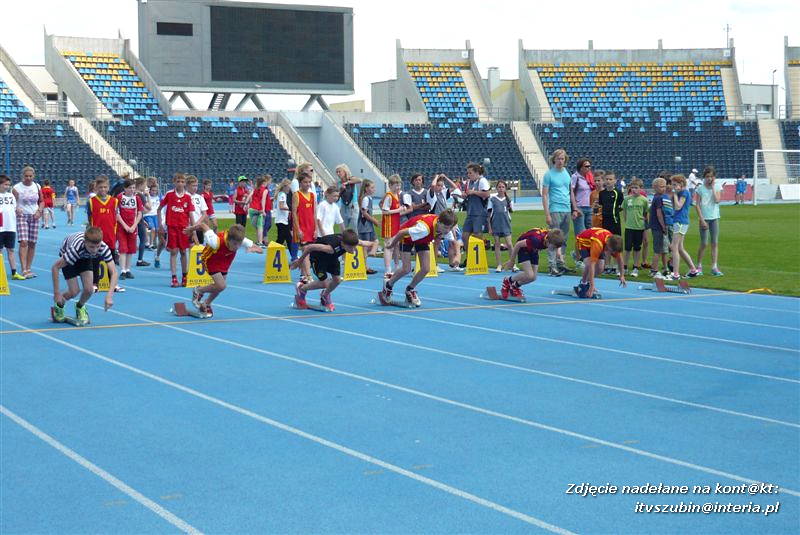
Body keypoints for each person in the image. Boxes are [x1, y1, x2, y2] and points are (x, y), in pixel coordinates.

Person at [380, 209, 456, 306]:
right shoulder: (423, 228)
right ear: (439, 222)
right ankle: (388, 285)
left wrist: (456, 256)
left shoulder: (445, 228)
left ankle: (410, 289)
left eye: (450, 228)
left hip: (422, 239)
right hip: (407, 238)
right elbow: (402, 232)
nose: (447, 231)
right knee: (406, 269)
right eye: (446, 228)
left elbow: (453, 242)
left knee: (426, 269)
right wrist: (392, 245)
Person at [292, 229, 376, 311]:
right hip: (318, 259)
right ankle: (301, 289)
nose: (353, 251)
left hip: (332, 258)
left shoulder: (351, 241)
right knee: (324, 283)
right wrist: (300, 261)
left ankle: (324, 296)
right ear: (343, 244)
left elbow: (370, 243)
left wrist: (374, 247)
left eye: (354, 247)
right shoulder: (330, 248)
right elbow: (310, 247)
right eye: (351, 248)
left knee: (337, 280)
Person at [190, 222, 263, 315]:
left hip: (225, 261)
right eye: (235, 244)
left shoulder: (240, 239)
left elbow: (260, 250)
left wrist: (254, 249)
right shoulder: (215, 241)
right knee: (221, 285)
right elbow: (203, 225)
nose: (237, 247)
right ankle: (199, 290)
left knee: (219, 287)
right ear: (228, 240)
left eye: (239, 245)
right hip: (211, 260)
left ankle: (206, 303)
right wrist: (191, 229)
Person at [51, 227, 119, 324]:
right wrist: (56, 293)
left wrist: (109, 296)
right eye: (92, 247)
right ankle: (59, 306)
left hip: (85, 257)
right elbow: (55, 267)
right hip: (69, 252)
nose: (95, 250)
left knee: (89, 290)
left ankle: (80, 307)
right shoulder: (76, 249)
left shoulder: (103, 248)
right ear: (85, 242)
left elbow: (114, 272)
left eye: (97, 246)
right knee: (74, 291)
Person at [499, 228, 565, 300]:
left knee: (533, 278)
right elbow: (518, 245)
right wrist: (512, 260)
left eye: (555, 248)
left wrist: (559, 253)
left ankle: (514, 286)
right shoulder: (536, 240)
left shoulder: (553, 238)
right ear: (547, 241)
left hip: (534, 249)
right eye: (553, 247)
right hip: (523, 248)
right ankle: (508, 280)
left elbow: (558, 243)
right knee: (529, 275)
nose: (553, 250)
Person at [158, 173, 195, 287]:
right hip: (172, 227)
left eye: (182, 182)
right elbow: (159, 209)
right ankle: (174, 277)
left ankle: (185, 276)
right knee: (174, 251)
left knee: (184, 252)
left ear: (185, 183)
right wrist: (160, 224)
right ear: (174, 182)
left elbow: (190, 214)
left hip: (184, 228)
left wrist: (193, 230)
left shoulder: (188, 197)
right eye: (178, 181)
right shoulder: (169, 195)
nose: (180, 184)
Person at [88, 175, 124, 293]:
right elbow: (90, 219)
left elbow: (116, 217)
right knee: (95, 260)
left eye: (105, 187)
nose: (103, 189)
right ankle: (94, 283)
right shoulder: (92, 202)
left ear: (108, 187)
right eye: (100, 187)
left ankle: (113, 284)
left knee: (111, 260)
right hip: (97, 236)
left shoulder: (114, 201)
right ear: (96, 188)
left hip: (110, 235)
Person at [541, 150, 574, 276]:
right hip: (555, 208)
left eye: (563, 159)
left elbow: (570, 191)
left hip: (566, 208)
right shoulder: (549, 175)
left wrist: (573, 207)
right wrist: (547, 214)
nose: (561, 161)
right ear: (554, 159)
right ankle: (552, 265)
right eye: (559, 158)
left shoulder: (566, 173)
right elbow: (544, 195)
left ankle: (561, 262)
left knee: (563, 239)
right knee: (554, 239)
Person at [574, 227, 625, 299]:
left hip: (597, 242)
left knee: (600, 268)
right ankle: (583, 284)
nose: (613, 253)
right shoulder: (598, 244)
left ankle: (587, 283)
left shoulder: (614, 243)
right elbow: (592, 265)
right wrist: (592, 286)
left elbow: (620, 260)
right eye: (612, 251)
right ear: (608, 245)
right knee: (588, 264)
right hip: (584, 243)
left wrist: (622, 275)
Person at [427, 173, 463, 272]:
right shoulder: (431, 194)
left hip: (446, 222)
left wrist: (446, 178)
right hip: (437, 222)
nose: (440, 187)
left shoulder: (443, 193)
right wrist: (436, 177)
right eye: (439, 185)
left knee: (453, 242)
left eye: (442, 185)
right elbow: (433, 186)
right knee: (437, 243)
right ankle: (435, 264)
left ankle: (453, 264)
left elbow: (455, 187)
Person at [12, 166, 44, 279]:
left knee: (32, 243)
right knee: (24, 242)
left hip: (34, 216)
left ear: (33, 176)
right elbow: (12, 202)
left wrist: (39, 211)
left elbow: (41, 201)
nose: (28, 178)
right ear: (23, 176)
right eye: (26, 176)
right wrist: (16, 208)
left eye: (30, 176)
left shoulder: (37, 186)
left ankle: (29, 268)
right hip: (22, 216)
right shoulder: (16, 188)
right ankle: (24, 269)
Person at [459, 162, 491, 266]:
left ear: (477, 173)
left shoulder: (482, 181)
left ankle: (479, 259)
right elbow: (469, 194)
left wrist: (473, 193)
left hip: (479, 212)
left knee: (478, 235)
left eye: (470, 173)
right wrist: (465, 195)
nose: (468, 175)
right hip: (470, 212)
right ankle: (470, 257)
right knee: (464, 236)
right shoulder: (469, 182)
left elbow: (487, 194)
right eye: (467, 173)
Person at [668, 174, 699, 280]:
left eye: (675, 185)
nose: (673, 187)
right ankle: (693, 270)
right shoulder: (682, 192)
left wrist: (675, 195)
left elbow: (678, 206)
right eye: (672, 185)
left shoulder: (684, 193)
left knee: (674, 247)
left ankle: (675, 273)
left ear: (681, 184)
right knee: (680, 248)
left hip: (680, 221)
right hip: (679, 221)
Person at [694, 166, 723, 276]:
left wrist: (713, 189)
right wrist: (701, 219)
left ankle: (714, 266)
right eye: (707, 176)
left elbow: (717, 201)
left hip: (714, 217)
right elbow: (696, 205)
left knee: (714, 242)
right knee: (704, 243)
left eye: (711, 176)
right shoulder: (700, 189)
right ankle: (699, 266)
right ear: (704, 177)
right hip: (704, 218)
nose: (709, 178)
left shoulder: (717, 187)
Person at [291, 170, 317, 281]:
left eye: (309, 182)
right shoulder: (296, 195)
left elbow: (314, 213)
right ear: (300, 183)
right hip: (302, 227)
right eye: (305, 182)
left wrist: (315, 229)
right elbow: (294, 213)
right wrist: (298, 229)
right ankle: (308, 275)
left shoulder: (312, 195)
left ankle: (304, 274)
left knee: (309, 252)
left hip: (311, 227)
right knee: (306, 251)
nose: (307, 184)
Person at [115, 179, 143, 280]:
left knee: (131, 249)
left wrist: (134, 225)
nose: (132, 190)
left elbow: (140, 213)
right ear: (125, 188)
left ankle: (128, 269)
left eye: (134, 188)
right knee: (123, 248)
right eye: (130, 188)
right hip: (122, 227)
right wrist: (125, 226)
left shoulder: (137, 198)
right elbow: (117, 213)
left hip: (133, 227)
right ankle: (122, 270)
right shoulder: (119, 197)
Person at [596, 171, 624, 274]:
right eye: (607, 179)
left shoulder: (618, 193)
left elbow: (621, 206)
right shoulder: (602, 193)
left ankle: (616, 266)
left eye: (610, 179)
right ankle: (607, 265)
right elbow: (601, 205)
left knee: (616, 244)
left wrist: (615, 214)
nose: (608, 181)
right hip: (605, 222)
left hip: (615, 221)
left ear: (615, 181)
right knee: (606, 244)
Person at [487, 180, 517, 272]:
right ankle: (499, 265)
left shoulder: (508, 200)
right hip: (496, 224)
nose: (501, 189)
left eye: (502, 187)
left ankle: (513, 264)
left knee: (509, 244)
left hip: (505, 224)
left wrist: (510, 207)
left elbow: (510, 212)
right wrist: (490, 227)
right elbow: (488, 215)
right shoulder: (492, 199)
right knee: (497, 244)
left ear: (505, 188)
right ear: (496, 188)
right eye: (499, 187)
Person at [621, 178, 649, 277]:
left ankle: (635, 267)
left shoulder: (644, 200)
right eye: (632, 187)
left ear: (641, 188)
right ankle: (624, 267)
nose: (634, 189)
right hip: (629, 227)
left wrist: (644, 221)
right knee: (627, 248)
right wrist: (626, 221)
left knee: (637, 248)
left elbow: (646, 213)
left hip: (640, 227)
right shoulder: (627, 199)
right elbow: (624, 211)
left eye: (636, 188)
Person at [380, 174, 405, 277]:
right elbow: (385, 211)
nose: (398, 187)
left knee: (396, 245)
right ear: (390, 185)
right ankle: (388, 269)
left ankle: (397, 265)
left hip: (395, 222)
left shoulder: (397, 195)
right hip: (389, 224)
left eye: (399, 185)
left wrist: (402, 210)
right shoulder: (389, 196)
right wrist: (398, 210)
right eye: (396, 185)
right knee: (388, 246)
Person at [0, 175, 24, 280]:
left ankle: (14, 273)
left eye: (8, 185)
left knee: (11, 250)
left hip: (10, 227)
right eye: (5, 184)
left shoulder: (11, 196)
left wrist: (18, 210)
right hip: (1, 228)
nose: (7, 187)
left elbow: (15, 208)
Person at [648, 177, 671, 277]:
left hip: (660, 226)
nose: (663, 188)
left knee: (664, 249)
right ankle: (654, 269)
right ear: (655, 188)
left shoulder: (662, 196)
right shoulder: (658, 198)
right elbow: (659, 214)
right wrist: (663, 226)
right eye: (661, 187)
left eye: (664, 186)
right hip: (658, 227)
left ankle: (665, 268)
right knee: (658, 250)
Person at [356, 179, 380, 270]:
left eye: (374, 188)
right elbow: (364, 213)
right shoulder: (365, 199)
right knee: (365, 246)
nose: (374, 189)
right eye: (372, 187)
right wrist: (374, 221)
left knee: (375, 241)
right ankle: (364, 266)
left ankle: (372, 253)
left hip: (369, 225)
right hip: (364, 225)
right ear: (366, 189)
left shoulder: (369, 198)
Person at [570, 158, 595, 237]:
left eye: (589, 166)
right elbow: (571, 192)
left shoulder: (590, 177)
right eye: (586, 166)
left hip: (590, 207)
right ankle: (579, 249)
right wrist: (575, 208)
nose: (589, 168)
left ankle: (589, 249)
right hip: (579, 207)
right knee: (580, 233)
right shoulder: (575, 177)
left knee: (591, 232)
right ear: (580, 167)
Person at [273, 179, 295, 260]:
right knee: (288, 239)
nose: (290, 188)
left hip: (282, 221)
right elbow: (281, 206)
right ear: (285, 186)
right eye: (289, 186)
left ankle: (274, 254)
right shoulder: (282, 195)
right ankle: (294, 256)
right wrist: (290, 209)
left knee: (281, 239)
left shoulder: (282, 194)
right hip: (281, 221)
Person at [133, 177, 151, 268]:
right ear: (140, 185)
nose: (146, 186)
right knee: (143, 239)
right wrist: (148, 195)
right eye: (145, 185)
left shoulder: (132, 193)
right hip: (138, 220)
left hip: (131, 219)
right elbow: (149, 208)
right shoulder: (141, 195)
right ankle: (140, 260)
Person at [186, 175, 208, 246]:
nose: (195, 188)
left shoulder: (200, 197)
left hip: (198, 226)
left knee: (199, 246)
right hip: (187, 226)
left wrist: (198, 223)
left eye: (196, 185)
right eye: (193, 186)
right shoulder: (184, 196)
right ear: (187, 186)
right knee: (187, 248)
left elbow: (204, 213)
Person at [248, 176, 268, 245]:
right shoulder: (265, 190)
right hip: (258, 209)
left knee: (256, 226)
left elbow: (249, 195)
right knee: (260, 226)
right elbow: (263, 200)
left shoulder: (255, 189)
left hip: (251, 209)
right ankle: (260, 242)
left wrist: (245, 204)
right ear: (264, 183)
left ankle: (258, 240)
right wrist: (263, 210)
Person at [144, 178, 160, 251]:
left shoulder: (158, 197)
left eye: (155, 190)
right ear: (150, 190)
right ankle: (151, 244)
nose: (154, 192)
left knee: (157, 230)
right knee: (152, 229)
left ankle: (153, 242)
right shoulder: (147, 197)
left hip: (156, 215)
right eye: (153, 190)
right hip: (148, 215)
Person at [260, 175, 272, 241]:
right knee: (266, 225)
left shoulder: (266, 188)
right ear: (267, 180)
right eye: (270, 180)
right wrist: (263, 209)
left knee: (269, 225)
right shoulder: (264, 189)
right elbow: (263, 199)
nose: (271, 182)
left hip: (268, 208)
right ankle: (264, 239)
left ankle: (263, 238)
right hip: (266, 209)